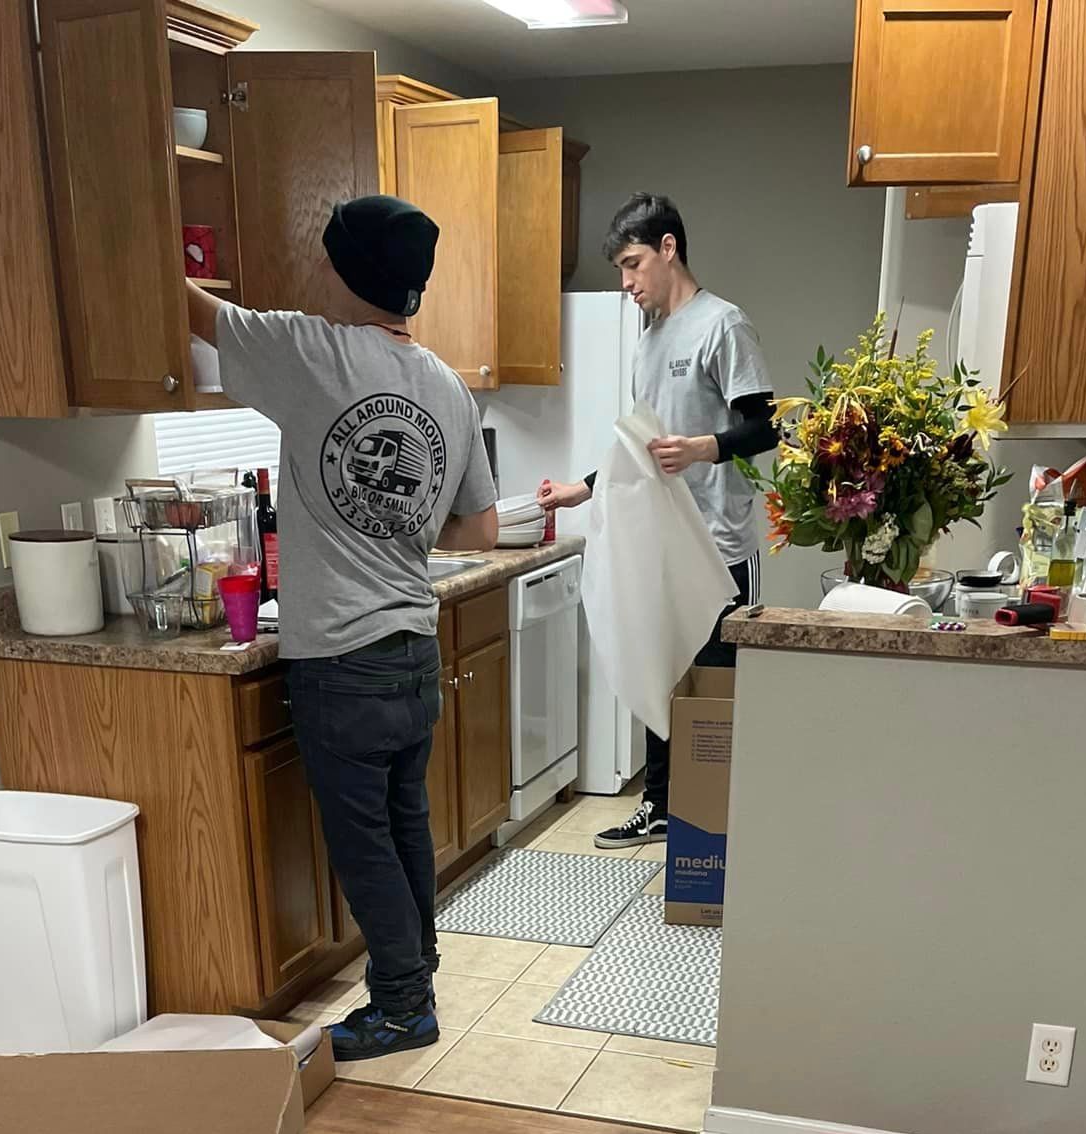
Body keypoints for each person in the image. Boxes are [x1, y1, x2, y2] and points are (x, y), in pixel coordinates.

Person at [185, 197, 498, 1061]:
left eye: (327, 257)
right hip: (413, 651)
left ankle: (401, 1007)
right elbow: (477, 528)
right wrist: (398, 522)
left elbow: (192, 308)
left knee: (364, 847)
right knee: (404, 828)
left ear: (343, 269)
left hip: (340, 660)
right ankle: (416, 974)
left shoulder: (307, 350)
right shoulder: (446, 384)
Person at [539, 193, 778, 847]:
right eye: (621, 268)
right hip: (663, 542)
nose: (626, 283)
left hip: (720, 545)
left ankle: (716, 831)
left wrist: (703, 447)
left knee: (714, 688)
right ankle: (661, 806)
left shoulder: (722, 325)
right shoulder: (647, 344)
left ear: (668, 249)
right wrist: (583, 489)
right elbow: (642, 449)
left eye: (632, 264)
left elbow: (765, 426)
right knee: (662, 673)